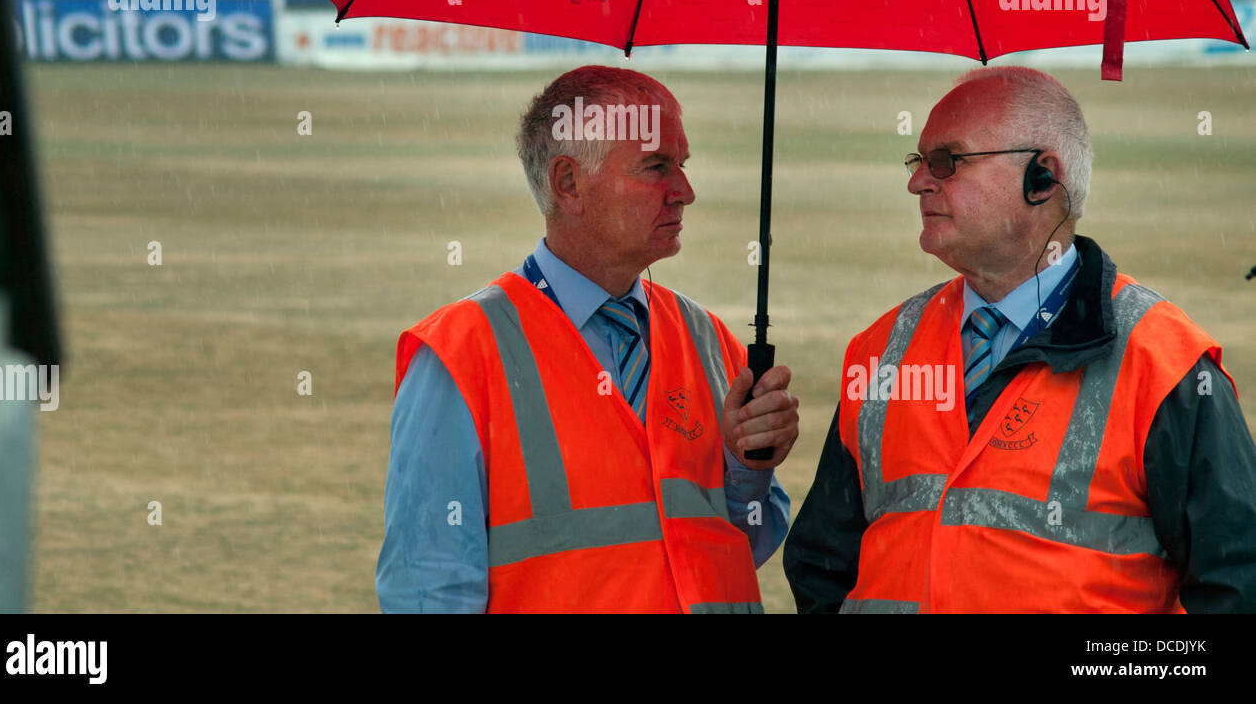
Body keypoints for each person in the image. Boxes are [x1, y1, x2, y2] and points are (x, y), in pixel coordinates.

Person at [783, 66, 1256, 613]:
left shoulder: (1166, 363)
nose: (917, 181)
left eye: (946, 161)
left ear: (1042, 177)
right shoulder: (880, 350)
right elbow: (821, 567)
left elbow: (1237, 583)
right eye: (918, 162)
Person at [377, 65, 799, 613]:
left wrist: (751, 470)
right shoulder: (460, 355)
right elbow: (428, 589)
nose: (685, 192)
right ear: (568, 184)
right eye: (656, 167)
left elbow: (745, 542)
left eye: (683, 165)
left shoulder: (712, 340)